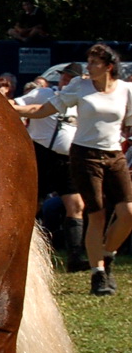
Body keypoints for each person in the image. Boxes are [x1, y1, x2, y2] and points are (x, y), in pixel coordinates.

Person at [47, 44, 132, 296]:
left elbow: (128, 125)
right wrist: (12, 108)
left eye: (94, 62)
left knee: (128, 212)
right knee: (97, 215)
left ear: (109, 66)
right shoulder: (80, 87)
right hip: (84, 155)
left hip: (114, 155)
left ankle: (107, 255)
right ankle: (98, 275)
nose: (89, 67)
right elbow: (47, 108)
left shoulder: (126, 90)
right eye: (88, 62)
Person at [12, 64, 87, 268]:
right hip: (42, 154)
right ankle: (19, 248)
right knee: (31, 204)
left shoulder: (82, 100)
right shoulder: (44, 93)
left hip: (68, 159)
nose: (66, 81)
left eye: (71, 78)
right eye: (64, 77)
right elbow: (17, 103)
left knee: (76, 205)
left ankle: (75, 257)